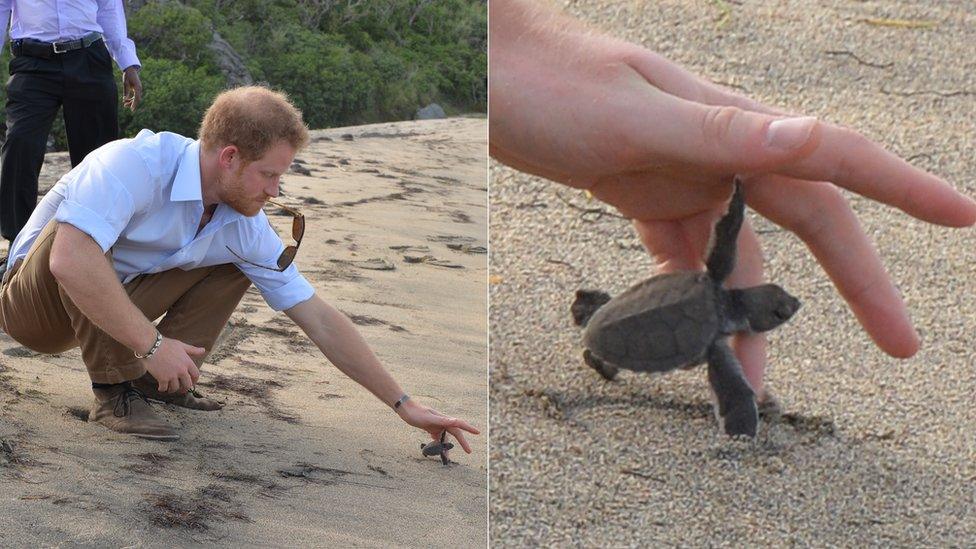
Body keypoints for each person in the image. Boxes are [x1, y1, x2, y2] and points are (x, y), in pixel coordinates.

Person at [489, 0, 976, 404]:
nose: (787, 308)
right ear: (751, 317)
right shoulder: (715, 335)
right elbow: (730, 379)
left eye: (780, 307)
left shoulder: (711, 287)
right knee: (723, 382)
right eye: (779, 313)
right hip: (655, 328)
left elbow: (723, 240)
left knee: (637, 320)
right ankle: (599, 341)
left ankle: (597, 331)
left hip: (653, 312)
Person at [0, 86, 479, 455]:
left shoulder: (240, 218)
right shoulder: (135, 163)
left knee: (238, 260)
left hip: (106, 312)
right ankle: (113, 394)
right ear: (229, 157)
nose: (275, 190)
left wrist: (404, 404)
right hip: (31, 308)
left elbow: (317, 316)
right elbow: (68, 261)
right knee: (80, 243)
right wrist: (153, 343)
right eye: (269, 174)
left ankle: (155, 385)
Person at [0, 0, 144, 244]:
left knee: (99, 155)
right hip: (32, 62)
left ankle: (96, 241)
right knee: (20, 144)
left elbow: (109, 7)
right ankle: (18, 245)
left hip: (89, 58)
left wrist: (127, 62)